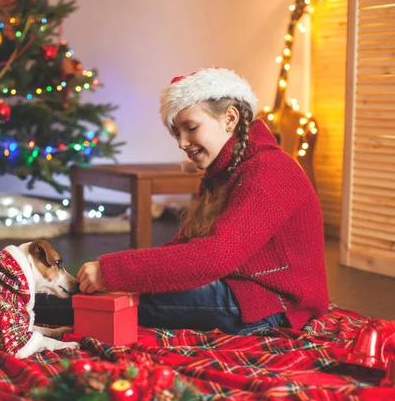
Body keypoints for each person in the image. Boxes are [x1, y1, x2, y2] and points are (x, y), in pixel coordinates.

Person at [36, 67, 329, 334]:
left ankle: (24, 304)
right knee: (137, 287)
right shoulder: (223, 173)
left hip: (271, 306)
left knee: (138, 297)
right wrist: (121, 274)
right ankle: (32, 296)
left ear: (230, 118)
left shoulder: (270, 171)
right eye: (177, 132)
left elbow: (213, 257)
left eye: (191, 127)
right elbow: (186, 248)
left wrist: (112, 271)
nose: (181, 142)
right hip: (240, 289)